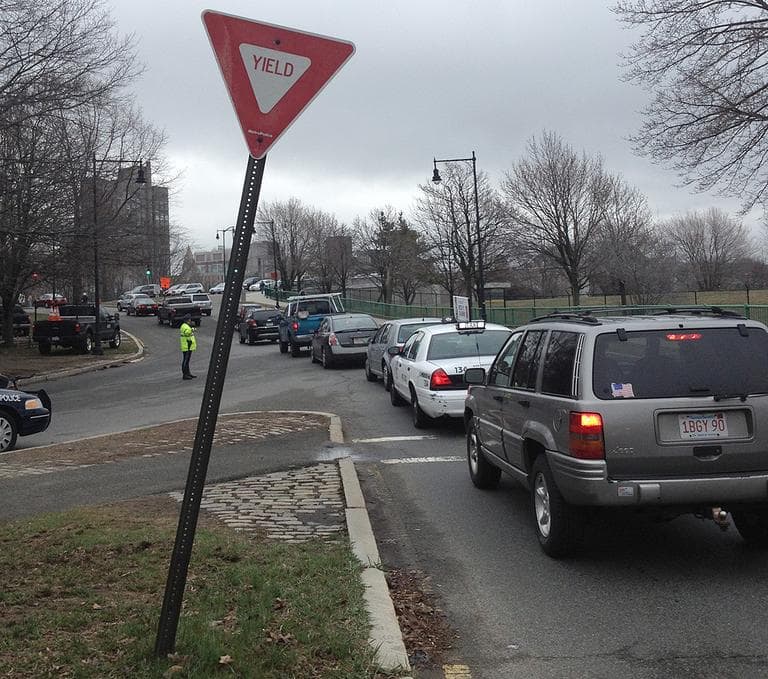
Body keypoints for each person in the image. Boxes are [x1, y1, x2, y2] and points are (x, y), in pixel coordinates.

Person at [179, 314, 197, 380]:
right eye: (189, 319)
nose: (190, 320)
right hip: (186, 346)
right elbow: (187, 332)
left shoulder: (186, 325)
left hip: (188, 345)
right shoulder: (184, 326)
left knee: (187, 361)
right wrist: (192, 329)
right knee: (185, 361)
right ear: (187, 320)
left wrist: (191, 328)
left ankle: (188, 373)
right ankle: (185, 375)